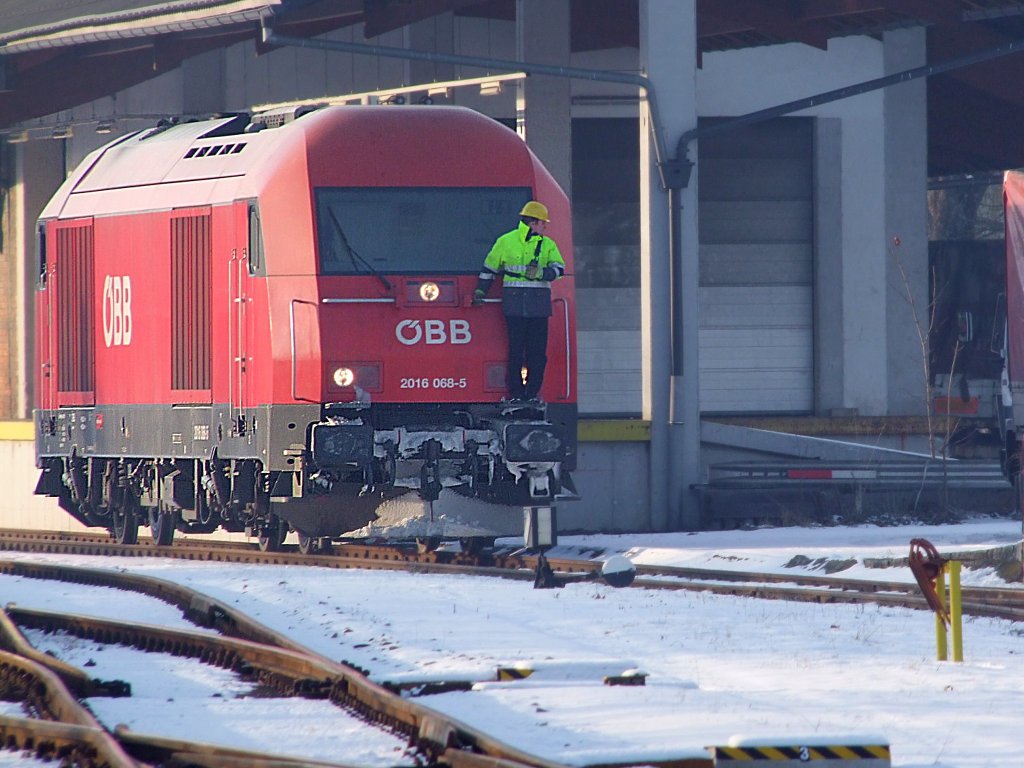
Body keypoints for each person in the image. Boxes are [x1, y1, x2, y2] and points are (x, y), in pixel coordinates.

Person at [473, 200, 565, 402]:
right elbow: (489, 269)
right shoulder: (506, 241)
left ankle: (531, 393)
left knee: (536, 354)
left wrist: (542, 273)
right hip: (520, 306)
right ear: (532, 222)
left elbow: (560, 269)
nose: (545, 226)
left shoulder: (546, 244)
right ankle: (517, 393)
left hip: (533, 306)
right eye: (542, 223)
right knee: (517, 352)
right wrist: (481, 291)